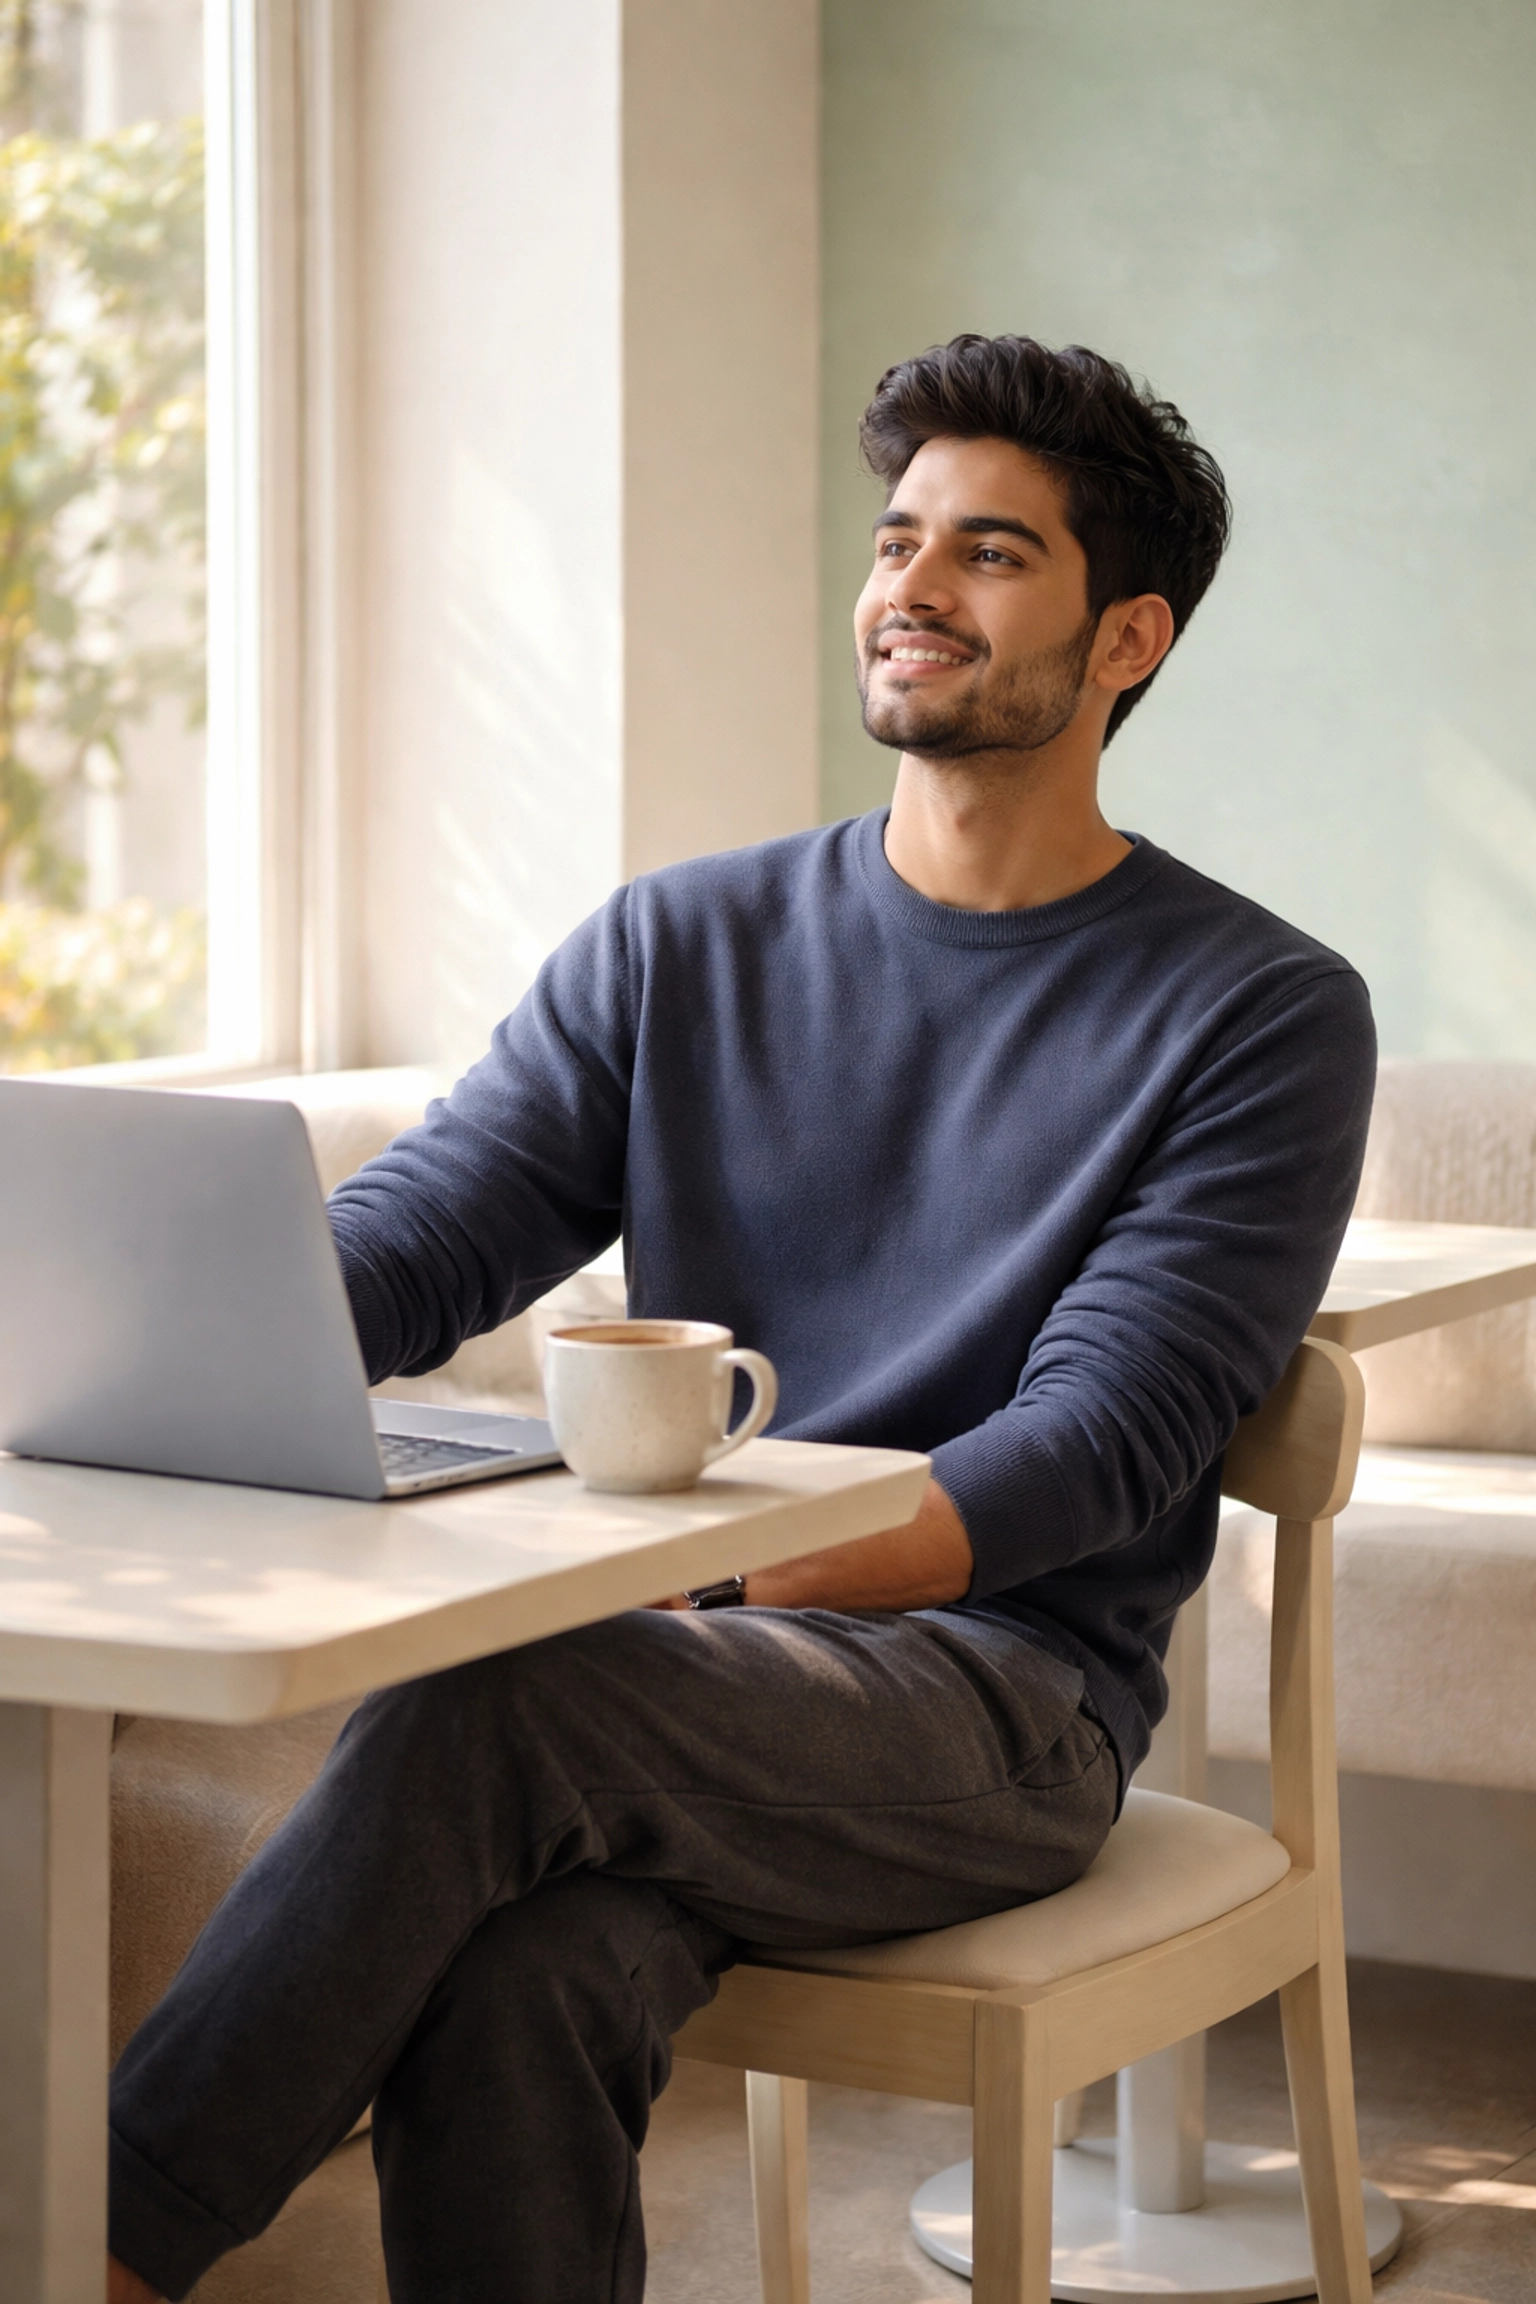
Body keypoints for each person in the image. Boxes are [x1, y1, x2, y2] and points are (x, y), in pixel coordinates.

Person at [108, 335, 1375, 2304]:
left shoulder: (1259, 1010)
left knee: (500, 1687)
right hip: (700, 1687)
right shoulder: (678, 942)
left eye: (992, 554)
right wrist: (151, 1336)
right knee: (525, 1973)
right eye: (894, 541)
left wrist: (703, 1590)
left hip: (1000, 1699)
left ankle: (93, 2245)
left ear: (1127, 640)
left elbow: (1093, 1446)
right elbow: (432, 1237)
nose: (911, 590)